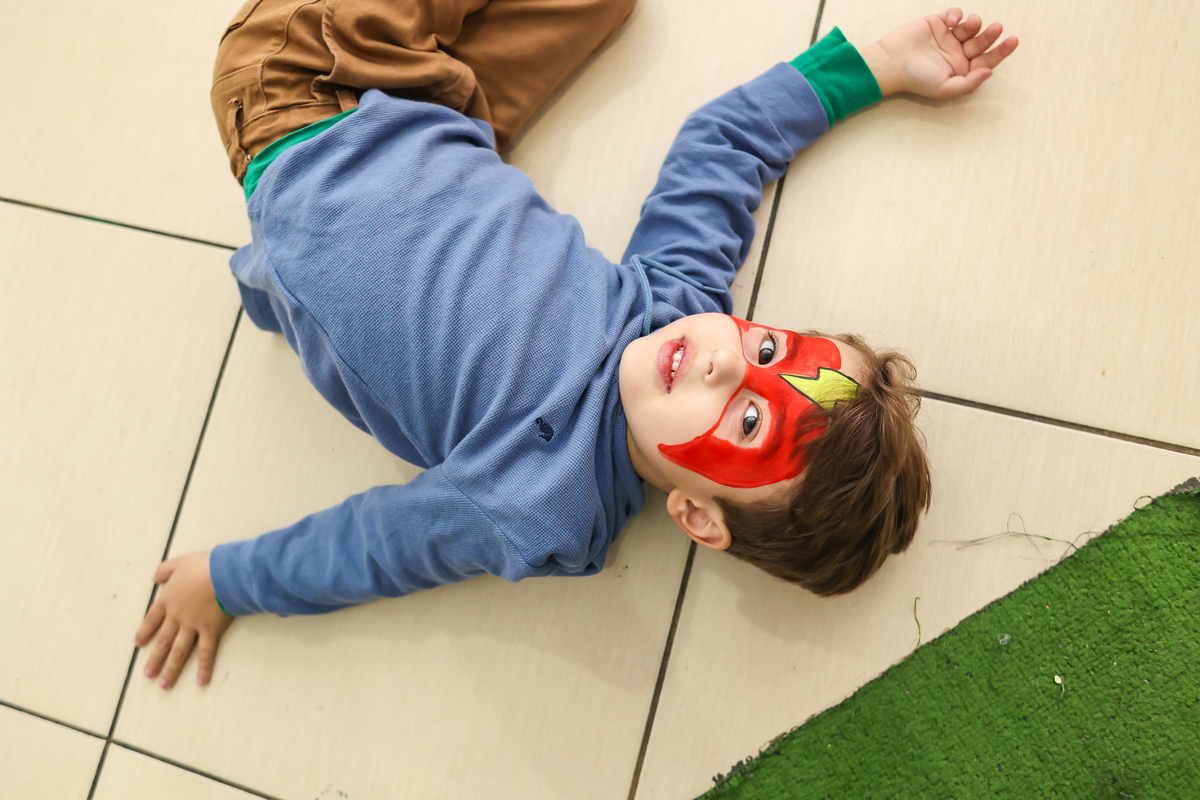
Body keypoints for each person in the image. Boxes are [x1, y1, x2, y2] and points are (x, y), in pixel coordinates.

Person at [134, 0, 1018, 690]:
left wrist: (228, 581)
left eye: (749, 421)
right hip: (436, 114)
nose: (723, 361)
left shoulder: (538, 505)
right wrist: (876, 67)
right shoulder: (675, 306)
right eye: (768, 350)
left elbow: (378, 547)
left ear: (698, 517)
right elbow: (723, 148)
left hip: (297, 97)